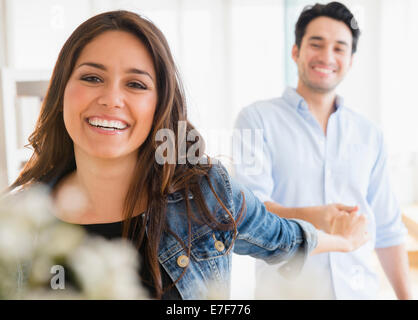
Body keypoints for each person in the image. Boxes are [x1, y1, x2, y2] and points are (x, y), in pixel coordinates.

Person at [10, 10, 368, 300]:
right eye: (91, 78)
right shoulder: (20, 224)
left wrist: (345, 241)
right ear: (61, 91)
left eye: (135, 84)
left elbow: (283, 239)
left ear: (160, 104)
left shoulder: (205, 193)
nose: (111, 98)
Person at [233, 2, 411, 299]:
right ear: (296, 51)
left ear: (351, 60)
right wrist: (320, 216)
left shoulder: (370, 134)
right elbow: (251, 212)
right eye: (316, 44)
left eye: (339, 48)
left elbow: (388, 230)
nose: (327, 56)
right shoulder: (257, 119)